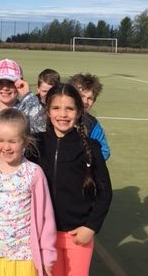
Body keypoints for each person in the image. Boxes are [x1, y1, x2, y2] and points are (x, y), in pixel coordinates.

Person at [0, 108, 57, 276]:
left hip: (25, 257)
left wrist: (47, 254)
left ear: (25, 141)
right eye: (0, 140)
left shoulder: (34, 173)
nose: (6, 147)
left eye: (13, 141)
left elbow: (46, 217)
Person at [33, 84, 112, 276]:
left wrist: (91, 226)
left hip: (77, 235)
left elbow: (105, 192)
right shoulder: (35, 144)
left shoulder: (91, 147)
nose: (63, 114)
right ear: (47, 111)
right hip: (43, 234)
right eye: (56, 108)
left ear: (79, 112)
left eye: (69, 108)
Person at [68, 73, 111, 161]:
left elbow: (104, 151)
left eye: (90, 98)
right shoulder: (56, 117)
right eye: (82, 96)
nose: (85, 101)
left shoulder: (92, 124)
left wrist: (85, 162)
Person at [17, 69, 61, 134]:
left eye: (52, 91)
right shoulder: (30, 104)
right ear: (38, 88)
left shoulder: (63, 105)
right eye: (44, 91)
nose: (47, 95)